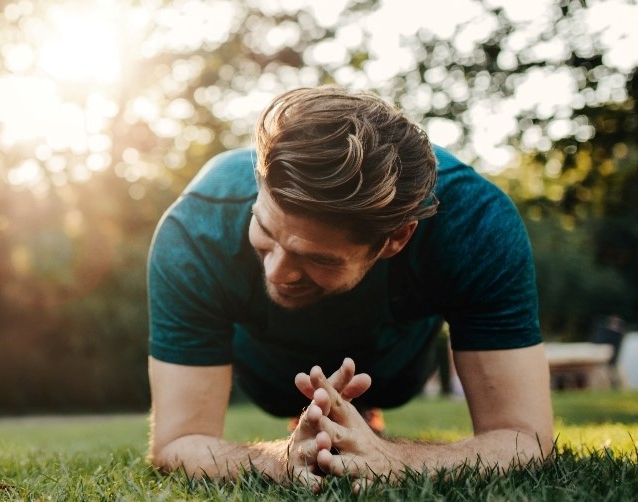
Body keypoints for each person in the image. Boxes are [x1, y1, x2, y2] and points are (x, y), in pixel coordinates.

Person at [145, 86, 553, 489]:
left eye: (318, 257)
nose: (276, 272)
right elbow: (177, 442)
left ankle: (363, 411)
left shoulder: (477, 224)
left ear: (397, 238)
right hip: (269, 374)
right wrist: (280, 460)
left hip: (395, 369)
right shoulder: (194, 231)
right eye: (265, 229)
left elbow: (526, 438)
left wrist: (394, 458)